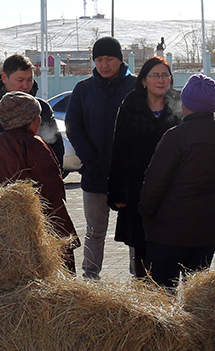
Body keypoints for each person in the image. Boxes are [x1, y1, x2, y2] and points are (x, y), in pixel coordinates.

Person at [139, 73, 215, 289]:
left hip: (168, 232)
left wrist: (146, 214)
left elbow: (155, 182)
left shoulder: (175, 137)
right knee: (197, 297)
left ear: (186, 103)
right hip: (206, 230)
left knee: (162, 295)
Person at [0, 91, 78, 273]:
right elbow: (51, 192)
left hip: (2, 231)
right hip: (36, 231)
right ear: (30, 120)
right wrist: (63, 235)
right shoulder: (34, 145)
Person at [65, 36, 137, 279]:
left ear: (120, 60)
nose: (104, 65)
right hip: (94, 174)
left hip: (129, 177)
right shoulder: (84, 89)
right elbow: (73, 125)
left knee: (135, 230)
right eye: (98, 60)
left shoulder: (137, 87)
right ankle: (90, 278)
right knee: (95, 231)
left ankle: (140, 280)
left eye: (109, 59)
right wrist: (89, 158)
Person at [107, 57, 182, 278]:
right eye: (155, 75)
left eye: (165, 75)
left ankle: (168, 290)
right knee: (141, 244)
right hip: (136, 188)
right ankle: (143, 289)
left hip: (172, 189)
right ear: (143, 81)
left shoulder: (179, 104)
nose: (161, 80)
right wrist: (117, 191)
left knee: (170, 243)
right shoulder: (131, 106)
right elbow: (119, 149)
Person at [0, 53, 64, 176]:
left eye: (29, 80)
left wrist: (53, 173)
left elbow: (55, 145)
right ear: (4, 78)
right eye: (20, 80)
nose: (25, 86)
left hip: (38, 185)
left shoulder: (42, 108)